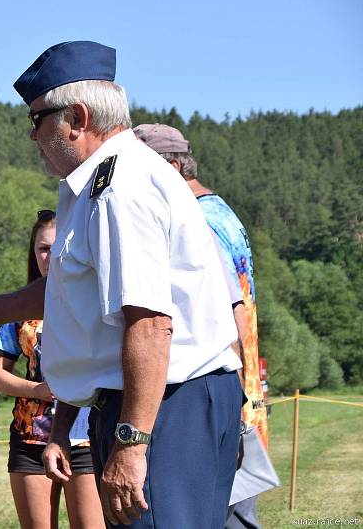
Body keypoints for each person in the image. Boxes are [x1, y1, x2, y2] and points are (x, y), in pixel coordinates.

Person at [0, 41, 244, 528]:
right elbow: (75, 303)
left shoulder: (119, 189)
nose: (33, 136)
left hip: (166, 406)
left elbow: (149, 324)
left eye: (37, 119)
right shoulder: (96, 184)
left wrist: (132, 446)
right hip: (161, 403)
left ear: (78, 117)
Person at [133, 123, 275, 529]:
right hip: (236, 390)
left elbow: (231, 313)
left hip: (213, 394)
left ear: (174, 166)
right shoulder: (219, 210)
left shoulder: (198, 219)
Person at [0, 209, 103, 529]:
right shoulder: (20, 309)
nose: (50, 255)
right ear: (33, 252)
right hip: (29, 439)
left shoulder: (95, 303)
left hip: (87, 439)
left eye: (58, 246)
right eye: (43, 248)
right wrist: (36, 390)